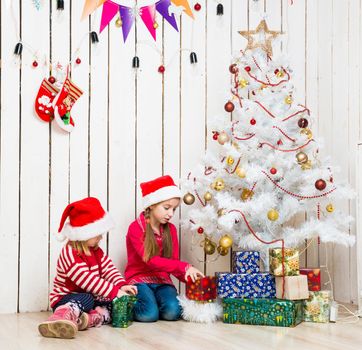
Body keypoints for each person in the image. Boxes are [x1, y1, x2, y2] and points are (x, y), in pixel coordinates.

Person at [38, 197, 137, 339]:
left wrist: (122, 285)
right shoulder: (70, 253)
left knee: (111, 303)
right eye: (98, 234)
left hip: (89, 296)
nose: (101, 238)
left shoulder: (96, 251)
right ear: (85, 233)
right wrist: (115, 291)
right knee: (88, 298)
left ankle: (87, 319)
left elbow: (109, 269)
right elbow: (88, 281)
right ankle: (61, 316)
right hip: (65, 298)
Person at [125, 175, 204, 322]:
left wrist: (189, 278)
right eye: (167, 208)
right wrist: (186, 267)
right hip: (139, 279)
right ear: (152, 204)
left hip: (162, 280)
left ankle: (154, 302)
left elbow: (173, 263)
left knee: (173, 312)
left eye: (174, 209)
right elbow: (151, 260)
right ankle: (127, 304)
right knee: (148, 315)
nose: (171, 214)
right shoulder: (136, 227)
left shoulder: (171, 230)